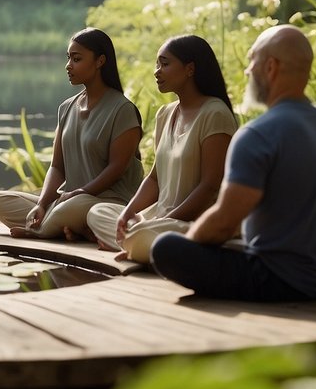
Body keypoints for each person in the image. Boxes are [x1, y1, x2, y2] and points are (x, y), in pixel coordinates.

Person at [151, 24, 316, 301]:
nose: (248, 70)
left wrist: (186, 246)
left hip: (280, 279)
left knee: (165, 248)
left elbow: (224, 223)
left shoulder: (257, 134)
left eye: (252, 61)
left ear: (271, 67)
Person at [87, 35, 237, 263]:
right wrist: (128, 212)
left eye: (165, 64)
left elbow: (210, 187)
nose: (157, 71)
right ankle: (139, 246)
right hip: (159, 219)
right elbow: (155, 179)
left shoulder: (215, 113)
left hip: (192, 222)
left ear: (190, 69)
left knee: (145, 233)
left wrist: (161, 221)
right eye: (157, 64)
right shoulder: (165, 114)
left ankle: (139, 246)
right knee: (97, 213)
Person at [0, 27, 143, 239]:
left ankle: (42, 232)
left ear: (100, 61)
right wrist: (42, 204)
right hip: (68, 199)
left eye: (76, 59)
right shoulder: (66, 108)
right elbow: (57, 166)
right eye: (68, 58)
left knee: (68, 209)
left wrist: (81, 192)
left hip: (106, 201)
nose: (68, 66)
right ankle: (72, 229)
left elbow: (117, 167)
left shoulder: (122, 110)